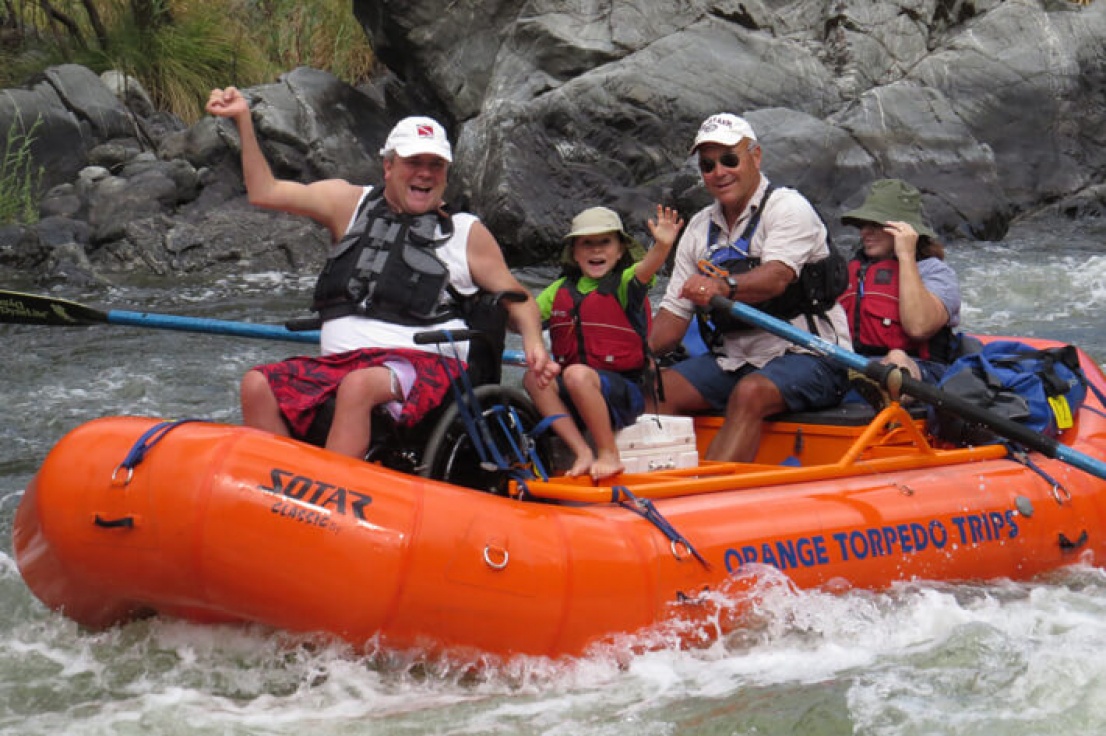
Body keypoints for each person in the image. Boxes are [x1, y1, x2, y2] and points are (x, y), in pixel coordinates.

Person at [205, 87, 558, 458]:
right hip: (344, 364)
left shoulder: (466, 231)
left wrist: (534, 343)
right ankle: (278, 482)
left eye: (435, 165)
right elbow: (266, 191)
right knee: (257, 383)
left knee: (358, 386)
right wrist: (243, 121)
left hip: (428, 370)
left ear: (446, 174)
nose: (425, 173)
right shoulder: (348, 204)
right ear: (388, 166)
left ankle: (333, 494)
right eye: (413, 162)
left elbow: (518, 299)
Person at [647, 113, 852, 463]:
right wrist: (630, 355)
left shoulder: (788, 208)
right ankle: (651, 487)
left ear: (755, 157)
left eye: (730, 159)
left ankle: (705, 495)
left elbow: (776, 278)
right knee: (653, 386)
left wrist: (722, 285)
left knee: (750, 392)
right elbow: (672, 317)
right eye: (708, 165)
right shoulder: (698, 228)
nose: (719, 172)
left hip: (811, 355)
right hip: (734, 358)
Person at [523, 205, 684, 479]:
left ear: (620, 250)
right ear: (574, 252)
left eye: (605, 242)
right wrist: (534, 344)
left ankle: (608, 452)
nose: (596, 250)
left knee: (576, 375)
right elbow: (526, 316)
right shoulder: (560, 290)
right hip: (577, 389)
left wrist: (662, 246)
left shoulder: (624, 282)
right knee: (532, 378)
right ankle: (582, 451)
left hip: (623, 393)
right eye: (587, 243)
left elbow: (647, 268)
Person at [838, 178, 962, 387]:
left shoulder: (936, 272)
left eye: (876, 225)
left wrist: (906, 255)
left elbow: (919, 327)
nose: (865, 232)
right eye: (863, 225)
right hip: (855, 364)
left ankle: (884, 389)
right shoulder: (850, 270)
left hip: (920, 369)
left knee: (896, 358)